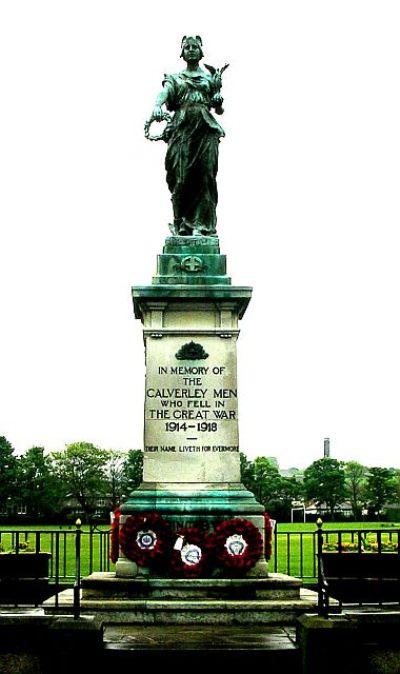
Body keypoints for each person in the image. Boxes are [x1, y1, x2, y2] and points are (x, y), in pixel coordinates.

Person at [149, 35, 227, 237]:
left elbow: (218, 110)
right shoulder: (175, 78)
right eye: (187, 47)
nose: (191, 50)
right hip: (182, 129)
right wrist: (157, 106)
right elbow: (164, 93)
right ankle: (180, 223)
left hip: (205, 129)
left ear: (201, 51)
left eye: (195, 47)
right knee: (180, 178)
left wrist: (217, 100)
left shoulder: (210, 79)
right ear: (182, 52)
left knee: (205, 176)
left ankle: (202, 227)